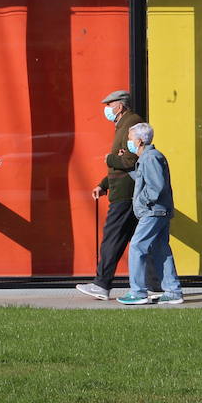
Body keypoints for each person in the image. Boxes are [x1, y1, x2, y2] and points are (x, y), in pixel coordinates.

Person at [76, 91, 162, 300]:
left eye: (109, 104)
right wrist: (103, 184)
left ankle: (102, 284)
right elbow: (122, 165)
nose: (106, 109)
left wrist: (110, 159)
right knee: (143, 242)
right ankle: (156, 285)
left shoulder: (131, 124)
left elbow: (130, 162)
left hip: (126, 194)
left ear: (120, 106)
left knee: (113, 238)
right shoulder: (123, 125)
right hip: (126, 191)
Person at [117, 123, 183, 306]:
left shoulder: (151, 157)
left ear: (139, 141)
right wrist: (129, 169)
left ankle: (138, 292)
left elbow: (156, 186)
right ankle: (173, 291)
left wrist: (143, 202)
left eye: (130, 139)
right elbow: (144, 179)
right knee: (161, 249)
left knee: (137, 247)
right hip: (158, 210)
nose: (129, 142)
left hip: (153, 211)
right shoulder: (149, 157)